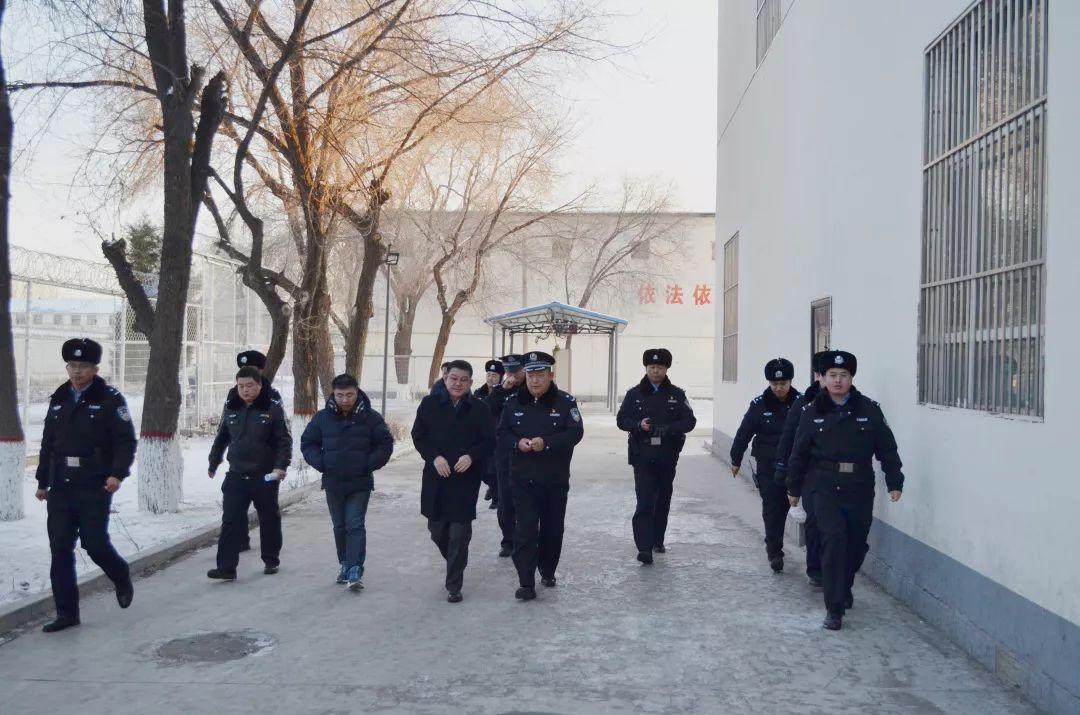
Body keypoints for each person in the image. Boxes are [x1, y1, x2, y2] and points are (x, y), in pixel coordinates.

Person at [787, 350, 905, 631]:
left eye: (843, 375)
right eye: (832, 375)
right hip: (825, 486)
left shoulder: (869, 410)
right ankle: (834, 607)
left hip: (859, 486)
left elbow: (887, 448)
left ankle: (844, 585)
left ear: (851, 378)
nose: (838, 380)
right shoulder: (811, 411)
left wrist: (894, 480)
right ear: (823, 378)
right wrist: (793, 487)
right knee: (833, 541)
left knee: (855, 544)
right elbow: (799, 452)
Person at [35, 338, 136, 633]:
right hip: (61, 485)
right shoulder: (60, 397)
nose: (77, 371)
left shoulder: (109, 399)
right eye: (72, 365)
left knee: (94, 544)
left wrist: (117, 474)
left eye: (83, 366)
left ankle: (120, 573)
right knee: (60, 548)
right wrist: (43, 481)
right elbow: (48, 443)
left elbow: (125, 441)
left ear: (95, 369)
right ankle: (67, 613)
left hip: (94, 484)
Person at [497, 351, 583, 600]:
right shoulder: (512, 402)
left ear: (550, 375)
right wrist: (517, 443)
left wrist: (546, 443)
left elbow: (575, 433)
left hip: (554, 479)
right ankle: (526, 581)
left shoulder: (565, 402)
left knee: (552, 530)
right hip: (522, 479)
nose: (535, 380)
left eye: (540, 375)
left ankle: (547, 569)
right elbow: (502, 433)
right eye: (531, 375)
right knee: (525, 530)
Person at [411, 360, 495, 602]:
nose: (458, 384)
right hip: (437, 477)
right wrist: (434, 457)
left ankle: (454, 585)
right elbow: (419, 436)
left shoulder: (480, 409)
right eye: (453, 378)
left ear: (470, 382)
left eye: (463, 380)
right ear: (445, 378)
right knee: (437, 530)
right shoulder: (430, 404)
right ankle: (455, 560)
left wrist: (472, 456)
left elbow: (490, 440)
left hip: (465, 479)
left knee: (459, 533)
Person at [301, 374, 394, 592]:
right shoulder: (322, 418)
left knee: (354, 524)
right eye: (340, 395)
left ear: (357, 392)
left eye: (349, 395)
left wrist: (367, 464)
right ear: (333, 394)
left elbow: (385, 444)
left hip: (360, 483)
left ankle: (355, 569)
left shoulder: (370, 417)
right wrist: (322, 463)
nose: (345, 400)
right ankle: (344, 563)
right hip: (333, 482)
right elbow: (308, 443)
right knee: (339, 526)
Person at [207, 366, 291, 581]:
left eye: (250, 385)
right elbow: (222, 437)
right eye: (241, 386)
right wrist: (213, 461)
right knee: (230, 520)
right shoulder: (231, 407)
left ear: (260, 385)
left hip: (264, 476)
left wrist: (280, 467)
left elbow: (283, 441)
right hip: (236, 474)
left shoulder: (272, 408)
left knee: (268, 519)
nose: (245, 390)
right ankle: (226, 567)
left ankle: (271, 560)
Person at [616, 348, 697, 565]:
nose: (655, 371)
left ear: (666, 368)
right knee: (644, 500)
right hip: (642, 454)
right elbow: (621, 420)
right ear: (646, 368)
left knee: (662, 498)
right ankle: (644, 547)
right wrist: (637, 425)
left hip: (667, 454)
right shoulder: (634, 394)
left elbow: (690, 421)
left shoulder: (677, 394)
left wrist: (669, 428)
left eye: (660, 367)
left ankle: (657, 539)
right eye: (651, 367)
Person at [730, 358, 800, 572]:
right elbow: (744, 432)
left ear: (790, 381)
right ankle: (775, 551)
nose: (779, 388)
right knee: (772, 508)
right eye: (774, 384)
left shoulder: (802, 404)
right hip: (768, 465)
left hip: (796, 465)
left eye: (783, 383)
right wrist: (735, 458)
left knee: (795, 508)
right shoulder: (759, 405)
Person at [774, 351, 830, 586]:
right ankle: (816, 569)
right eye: (825, 374)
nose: (833, 379)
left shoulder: (852, 403)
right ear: (817, 375)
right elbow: (789, 437)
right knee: (815, 520)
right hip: (811, 473)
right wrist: (782, 468)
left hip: (842, 477)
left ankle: (835, 567)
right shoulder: (804, 402)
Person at [233, 350, 283, 552]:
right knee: (236, 506)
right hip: (240, 462)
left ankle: (270, 552)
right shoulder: (234, 394)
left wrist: (279, 463)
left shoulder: (272, 396)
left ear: (261, 371)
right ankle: (240, 539)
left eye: (253, 369)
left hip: (265, 464)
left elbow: (280, 432)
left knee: (267, 510)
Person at [485, 354, 524, 557]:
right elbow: (487, 410)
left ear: (524, 370)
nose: (512, 376)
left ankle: (525, 538)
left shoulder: (532, 388)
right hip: (504, 452)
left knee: (526, 499)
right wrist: (502, 390)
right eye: (509, 371)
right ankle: (508, 540)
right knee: (505, 499)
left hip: (528, 452)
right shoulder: (501, 390)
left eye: (516, 371)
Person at [473, 359, 504, 508]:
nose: (491, 378)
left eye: (494, 375)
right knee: (482, 469)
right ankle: (492, 486)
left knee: (493, 469)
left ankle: (497, 498)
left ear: (501, 378)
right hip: (481, 436)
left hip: (497, 437)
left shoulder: (503, 393)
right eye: (489, 375)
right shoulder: (479, 392)